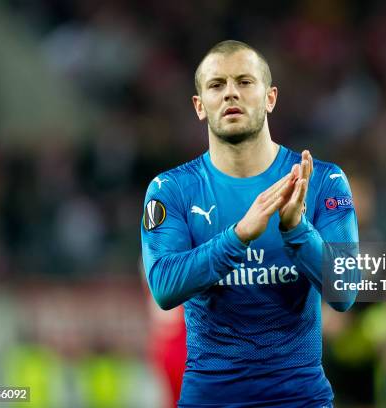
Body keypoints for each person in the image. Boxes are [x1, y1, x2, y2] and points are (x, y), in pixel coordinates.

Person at [140, 40, 359, 407]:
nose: (230, 94)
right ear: (199, 105)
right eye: (216, 85)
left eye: (244, 81)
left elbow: (345, 293)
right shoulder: (172, 189)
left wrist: (296, 230)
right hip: (210, 398)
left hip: (300, 399)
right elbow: (163, 287)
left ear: (270, 97)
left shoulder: (323, 181)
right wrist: (238, 237)